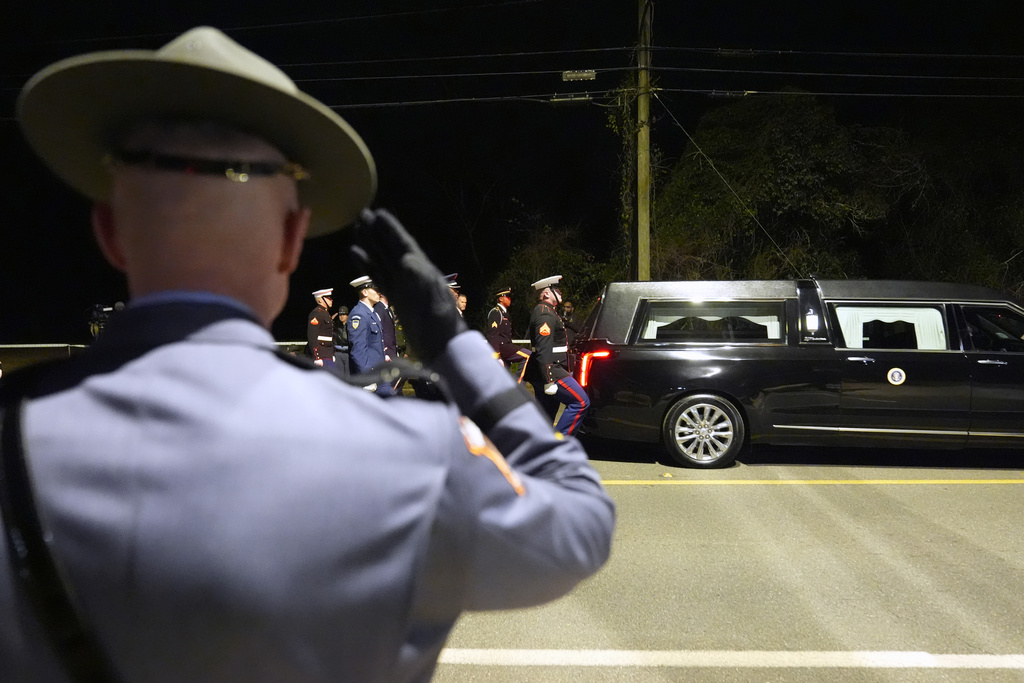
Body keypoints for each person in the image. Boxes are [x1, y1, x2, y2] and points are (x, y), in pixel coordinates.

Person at [1, 27, 614, 683]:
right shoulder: (410, 451)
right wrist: (454, 349)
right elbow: (582, 524)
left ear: (109, 232)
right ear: (293, 239)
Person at [526, 275, 590, 436]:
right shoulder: (545, 314)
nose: (561, 293)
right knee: (581, 402)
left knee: (547, 415)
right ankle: (559, 445)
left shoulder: (547, 311)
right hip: (551, 369)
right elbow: (543, 349)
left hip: (547, 369)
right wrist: (549, 379)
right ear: (547, 293)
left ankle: (541, 450)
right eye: (557, 290)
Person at [347, 275, 389, 393]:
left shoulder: (372, 313)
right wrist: (367, 377)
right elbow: (358, 349)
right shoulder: (359, 314)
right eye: (375, 290)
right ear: (365, 292)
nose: (379, 293)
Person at [486, 286, 531, 383]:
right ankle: (518, 385)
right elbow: (492, 335)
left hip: (506, 346)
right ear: (501, 298)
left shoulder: (505, 313)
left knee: (503, 378)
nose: (510, 299)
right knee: (528, 356)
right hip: (502, 347)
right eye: (507, 296)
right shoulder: (496, 312)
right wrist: (496, 356)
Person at [307, 287, 335, 366]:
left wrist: (332, 354)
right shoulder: (316, 313)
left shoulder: (325, 313)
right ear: (320, 300)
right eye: (328, 298)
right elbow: (312, 336)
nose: (331, 300)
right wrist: (317, 357)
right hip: (321, 355)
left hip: (327, 354)